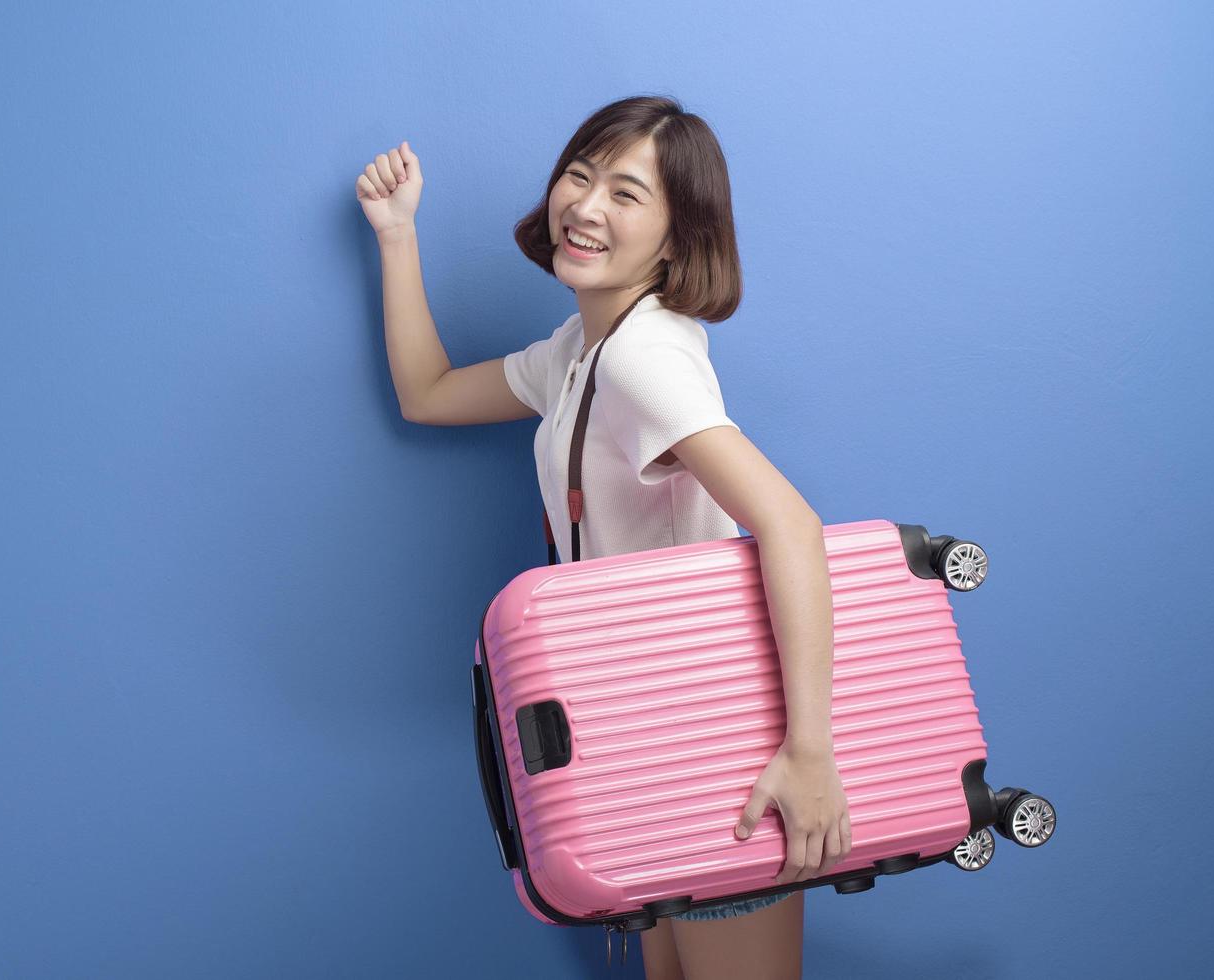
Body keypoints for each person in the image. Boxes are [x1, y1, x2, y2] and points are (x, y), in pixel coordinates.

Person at [356, 95, 851, 980]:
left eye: (626, 193)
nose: (584, 207)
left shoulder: (642, 357)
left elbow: (791, 523)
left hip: (713, 747)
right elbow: (427, 393)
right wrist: (397, 234)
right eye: (580, 176)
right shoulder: (578, 353)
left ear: (675, 240)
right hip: (638, 738)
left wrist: (809, 753)